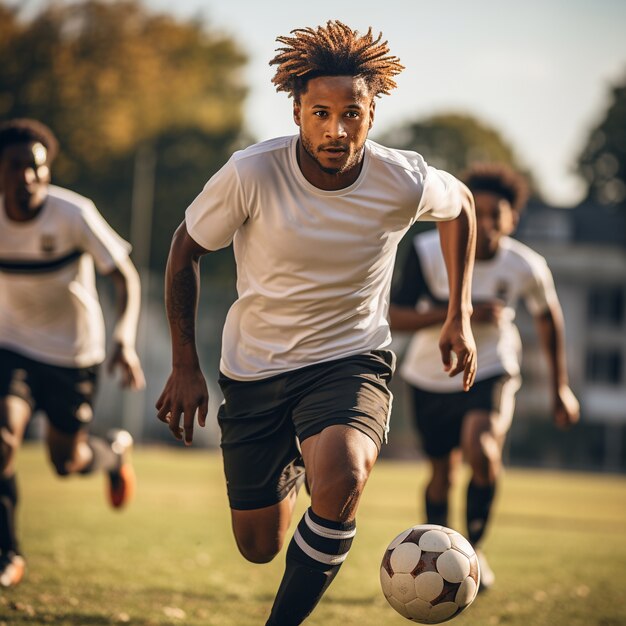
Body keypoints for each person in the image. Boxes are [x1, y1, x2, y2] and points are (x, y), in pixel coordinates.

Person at [156, 21, 477, 625]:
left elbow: (460, 205)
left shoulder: (400, 179)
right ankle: (306, 455)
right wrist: (183, 362)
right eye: (321, 113)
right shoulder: (252, 173)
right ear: (297, 112)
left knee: (344, 475)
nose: (336, 129)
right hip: (255, 370)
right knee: (258, 545)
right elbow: (185, 250)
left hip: (349, 361)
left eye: (351, 113)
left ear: (372, 112)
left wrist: (458, 312)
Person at [389, 163, 580, 590]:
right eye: (481, 211)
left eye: (499, 214)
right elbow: (395, 317)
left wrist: (560, 387)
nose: (489, 222)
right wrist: (457, 312)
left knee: (482, 450)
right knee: (442, 475)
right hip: (429, 374)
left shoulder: (526, 266)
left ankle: (473, 552)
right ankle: (438, 555)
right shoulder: (425, 251)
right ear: (463, 212)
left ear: (513, 219)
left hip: (491, 368)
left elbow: (550, 320)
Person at [0, 118, 145, 588]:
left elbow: (124, 277)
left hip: (73, 355)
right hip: (12, 347)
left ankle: (111, 456)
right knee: (2, 441)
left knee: (66, 463)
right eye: (15, 167)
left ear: (47, 171)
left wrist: (123, 337)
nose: (27, 178)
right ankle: (9, 553)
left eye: (36, 168)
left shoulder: (73, 213)